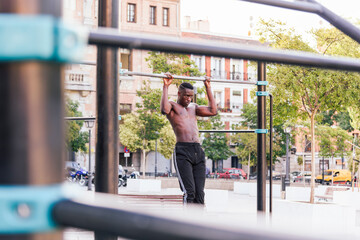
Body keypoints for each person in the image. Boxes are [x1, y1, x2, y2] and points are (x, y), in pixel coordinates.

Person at [160, 73, 217, 204]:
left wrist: (208, 87)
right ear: (179, 94)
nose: (189, 99)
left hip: (197, 150)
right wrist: (165, 86)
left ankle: (199, 222)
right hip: (182, 151)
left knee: (200, 193)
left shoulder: (194, 108)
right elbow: (164, 109)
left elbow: (213, 111)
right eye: (186, 96)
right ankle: (186, 222)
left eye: (191, 96)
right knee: (189, 192)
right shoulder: (172, 106)